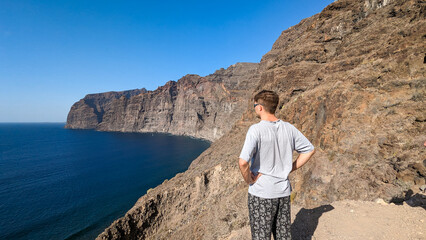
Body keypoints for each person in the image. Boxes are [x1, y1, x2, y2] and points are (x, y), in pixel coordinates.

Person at [238, 90, 315, 240]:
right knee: (283, 235)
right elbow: (309, 150)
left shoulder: (256, 130)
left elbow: (243, 162)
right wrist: (289, 169)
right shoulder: (289, 128)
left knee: (261, 236)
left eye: (254, 105)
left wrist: (249, 180)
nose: (254, 108)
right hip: (283, 192)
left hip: (262, 194)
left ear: (260, 107)